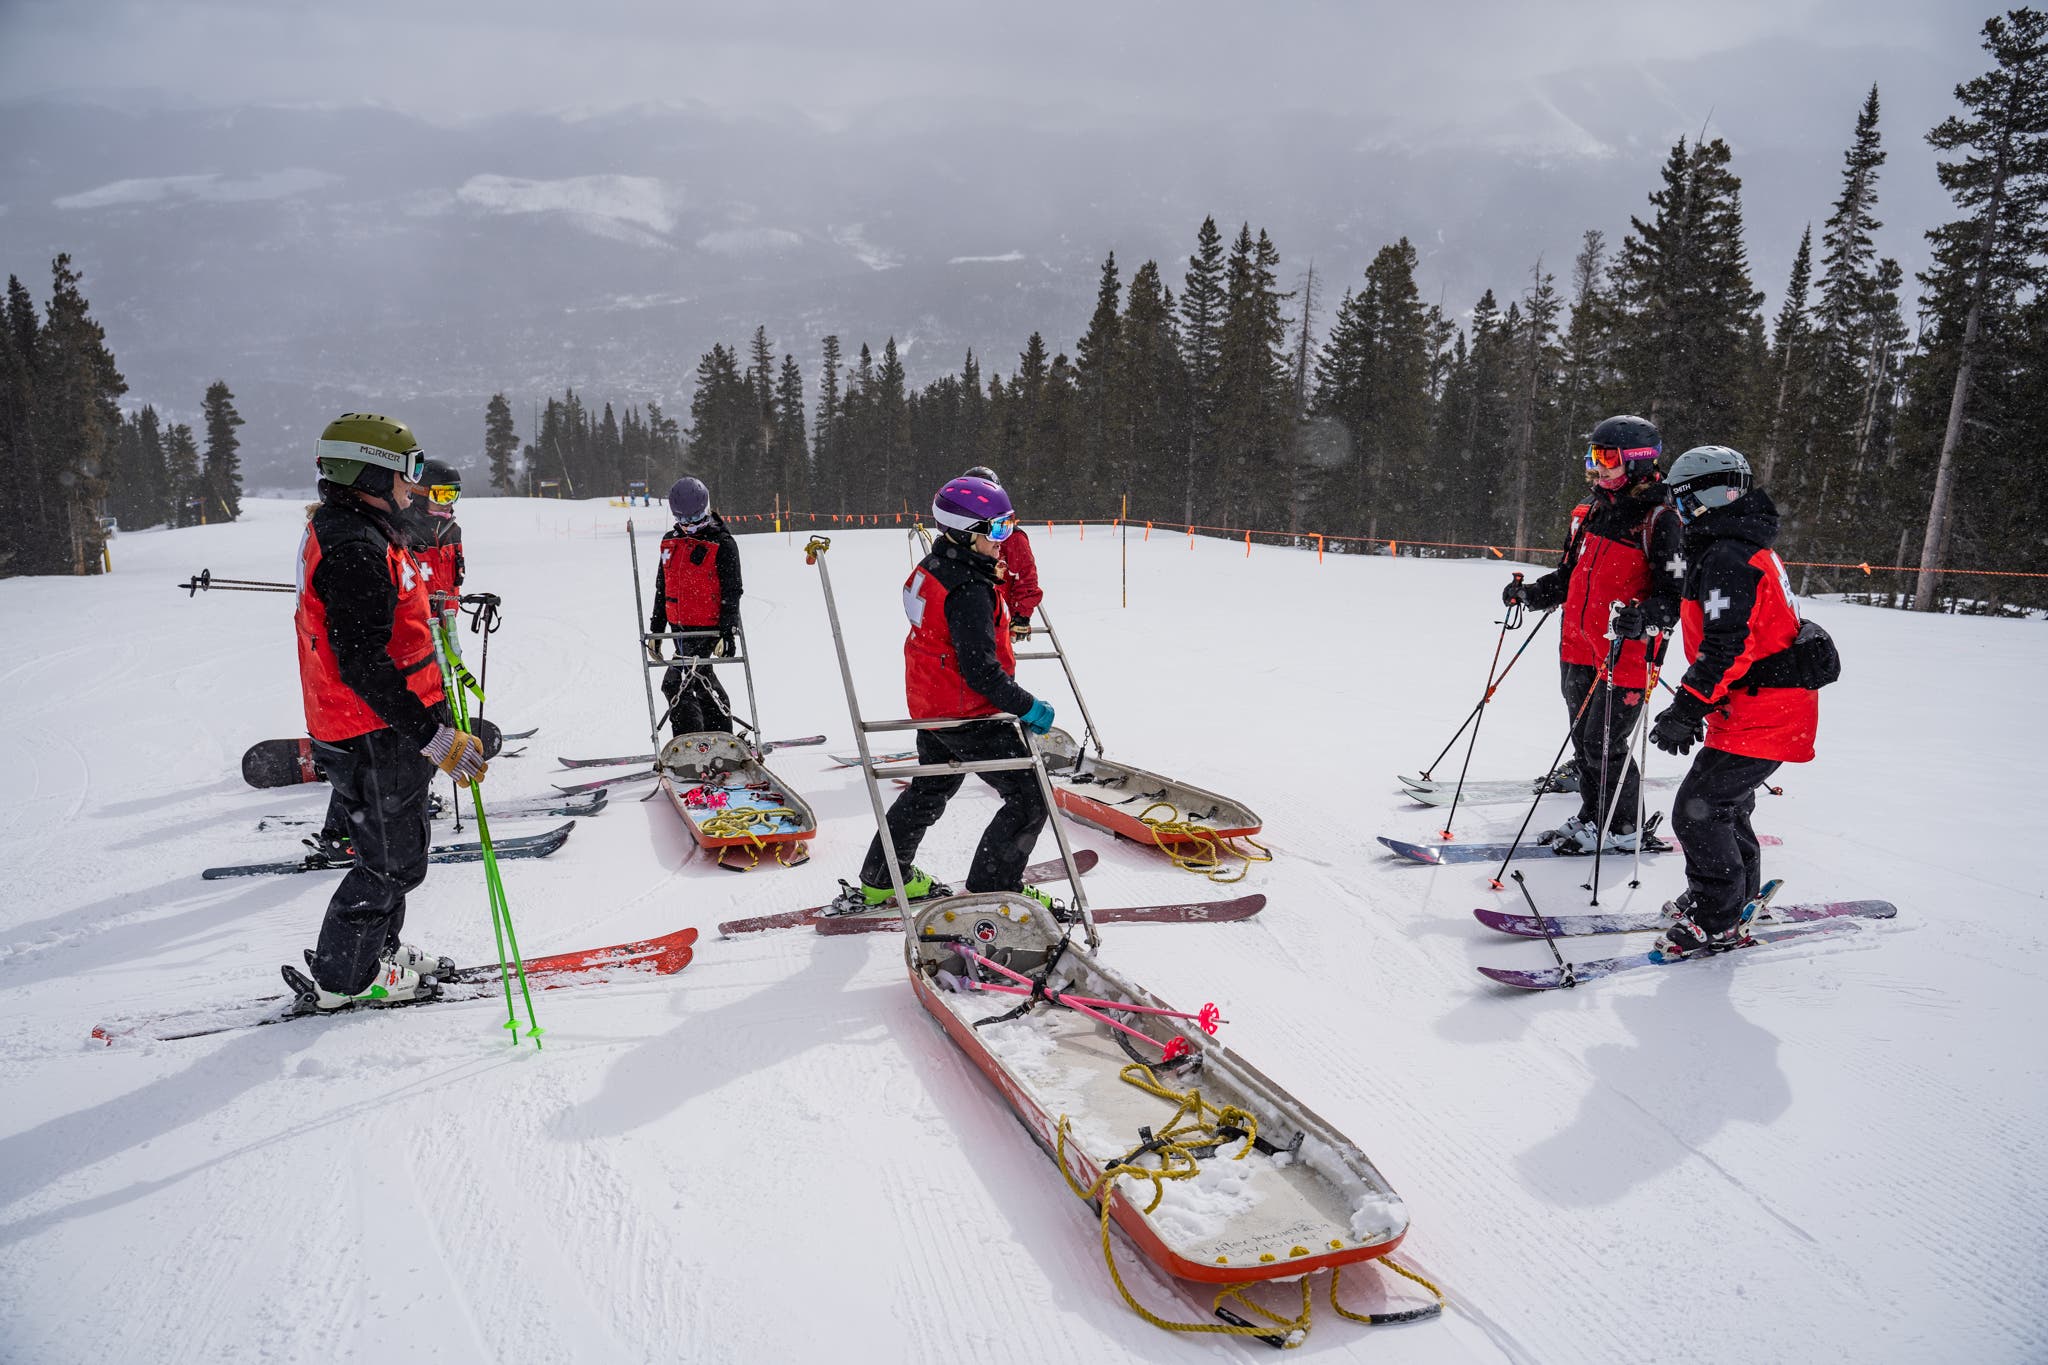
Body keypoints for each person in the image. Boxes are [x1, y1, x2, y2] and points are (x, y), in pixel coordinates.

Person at [297, 413, 489, 1009]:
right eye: (408, 473)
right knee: (389, 864)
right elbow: (363, 666)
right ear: (369, 472)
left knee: (399, 850)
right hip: (371, 729)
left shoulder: (364, 528)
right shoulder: (355, 544)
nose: (416, 487)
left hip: (382, 726)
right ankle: (343, 980)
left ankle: (376, 952)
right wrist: (433, 737)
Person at [1643, 446, 1819, 958]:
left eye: (1681, 499)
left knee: (1698, 813)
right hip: (1758, 708)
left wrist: (1687, 709)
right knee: (1727, 806)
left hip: (1765, 711)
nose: (1677, 510)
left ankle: (1716, 918)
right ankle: (1731, 896)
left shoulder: (1729, 556)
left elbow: (1727, 647)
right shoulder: (1737, 544)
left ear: (1706, 496)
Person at [856, 475, 1057, 908]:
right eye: (999, 529)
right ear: (968, 534)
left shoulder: (937, 565)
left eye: (1009, 525)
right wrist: (1028, 707)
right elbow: (981, 672)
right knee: (1029, 797)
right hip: (970, 714)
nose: (1006, 539)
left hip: (934, 704)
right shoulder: (968, 588)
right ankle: (993, 887)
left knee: (931, 788)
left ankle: (881, 876)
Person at [1503, 413, 1685, 853]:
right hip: (1578, 645)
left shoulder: (1662, 520)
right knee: (1583, 737)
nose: (1597, 466)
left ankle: (1625, 828)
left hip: (1625, 650)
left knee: (1604, 742)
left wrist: (1643, 617)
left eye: (1607, 457)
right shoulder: (1595, 511)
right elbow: (1569, 578)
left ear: (1638, 462)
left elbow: (1674, 598)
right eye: (1593, 455)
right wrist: (1530, 594)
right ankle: (1592, 815)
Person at [648, 476, 743, 738]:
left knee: (679, 682)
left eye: (697, 519)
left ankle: (695, 741)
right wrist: (657, 631)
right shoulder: (671, 542)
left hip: (706, 628)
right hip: (679, 627)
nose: (690, 527)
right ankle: (714, 736)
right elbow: (662, 588)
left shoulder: (721, 543)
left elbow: (732, 591)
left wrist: (727, 631)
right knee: (698, 680)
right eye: (684, 521)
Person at [964, 465, 1040, 642]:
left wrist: (1021, 615)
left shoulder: (1011, 537)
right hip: (967, 616)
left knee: (995, 666)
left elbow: (1026, 576)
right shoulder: (962, 532)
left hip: (997, 619)